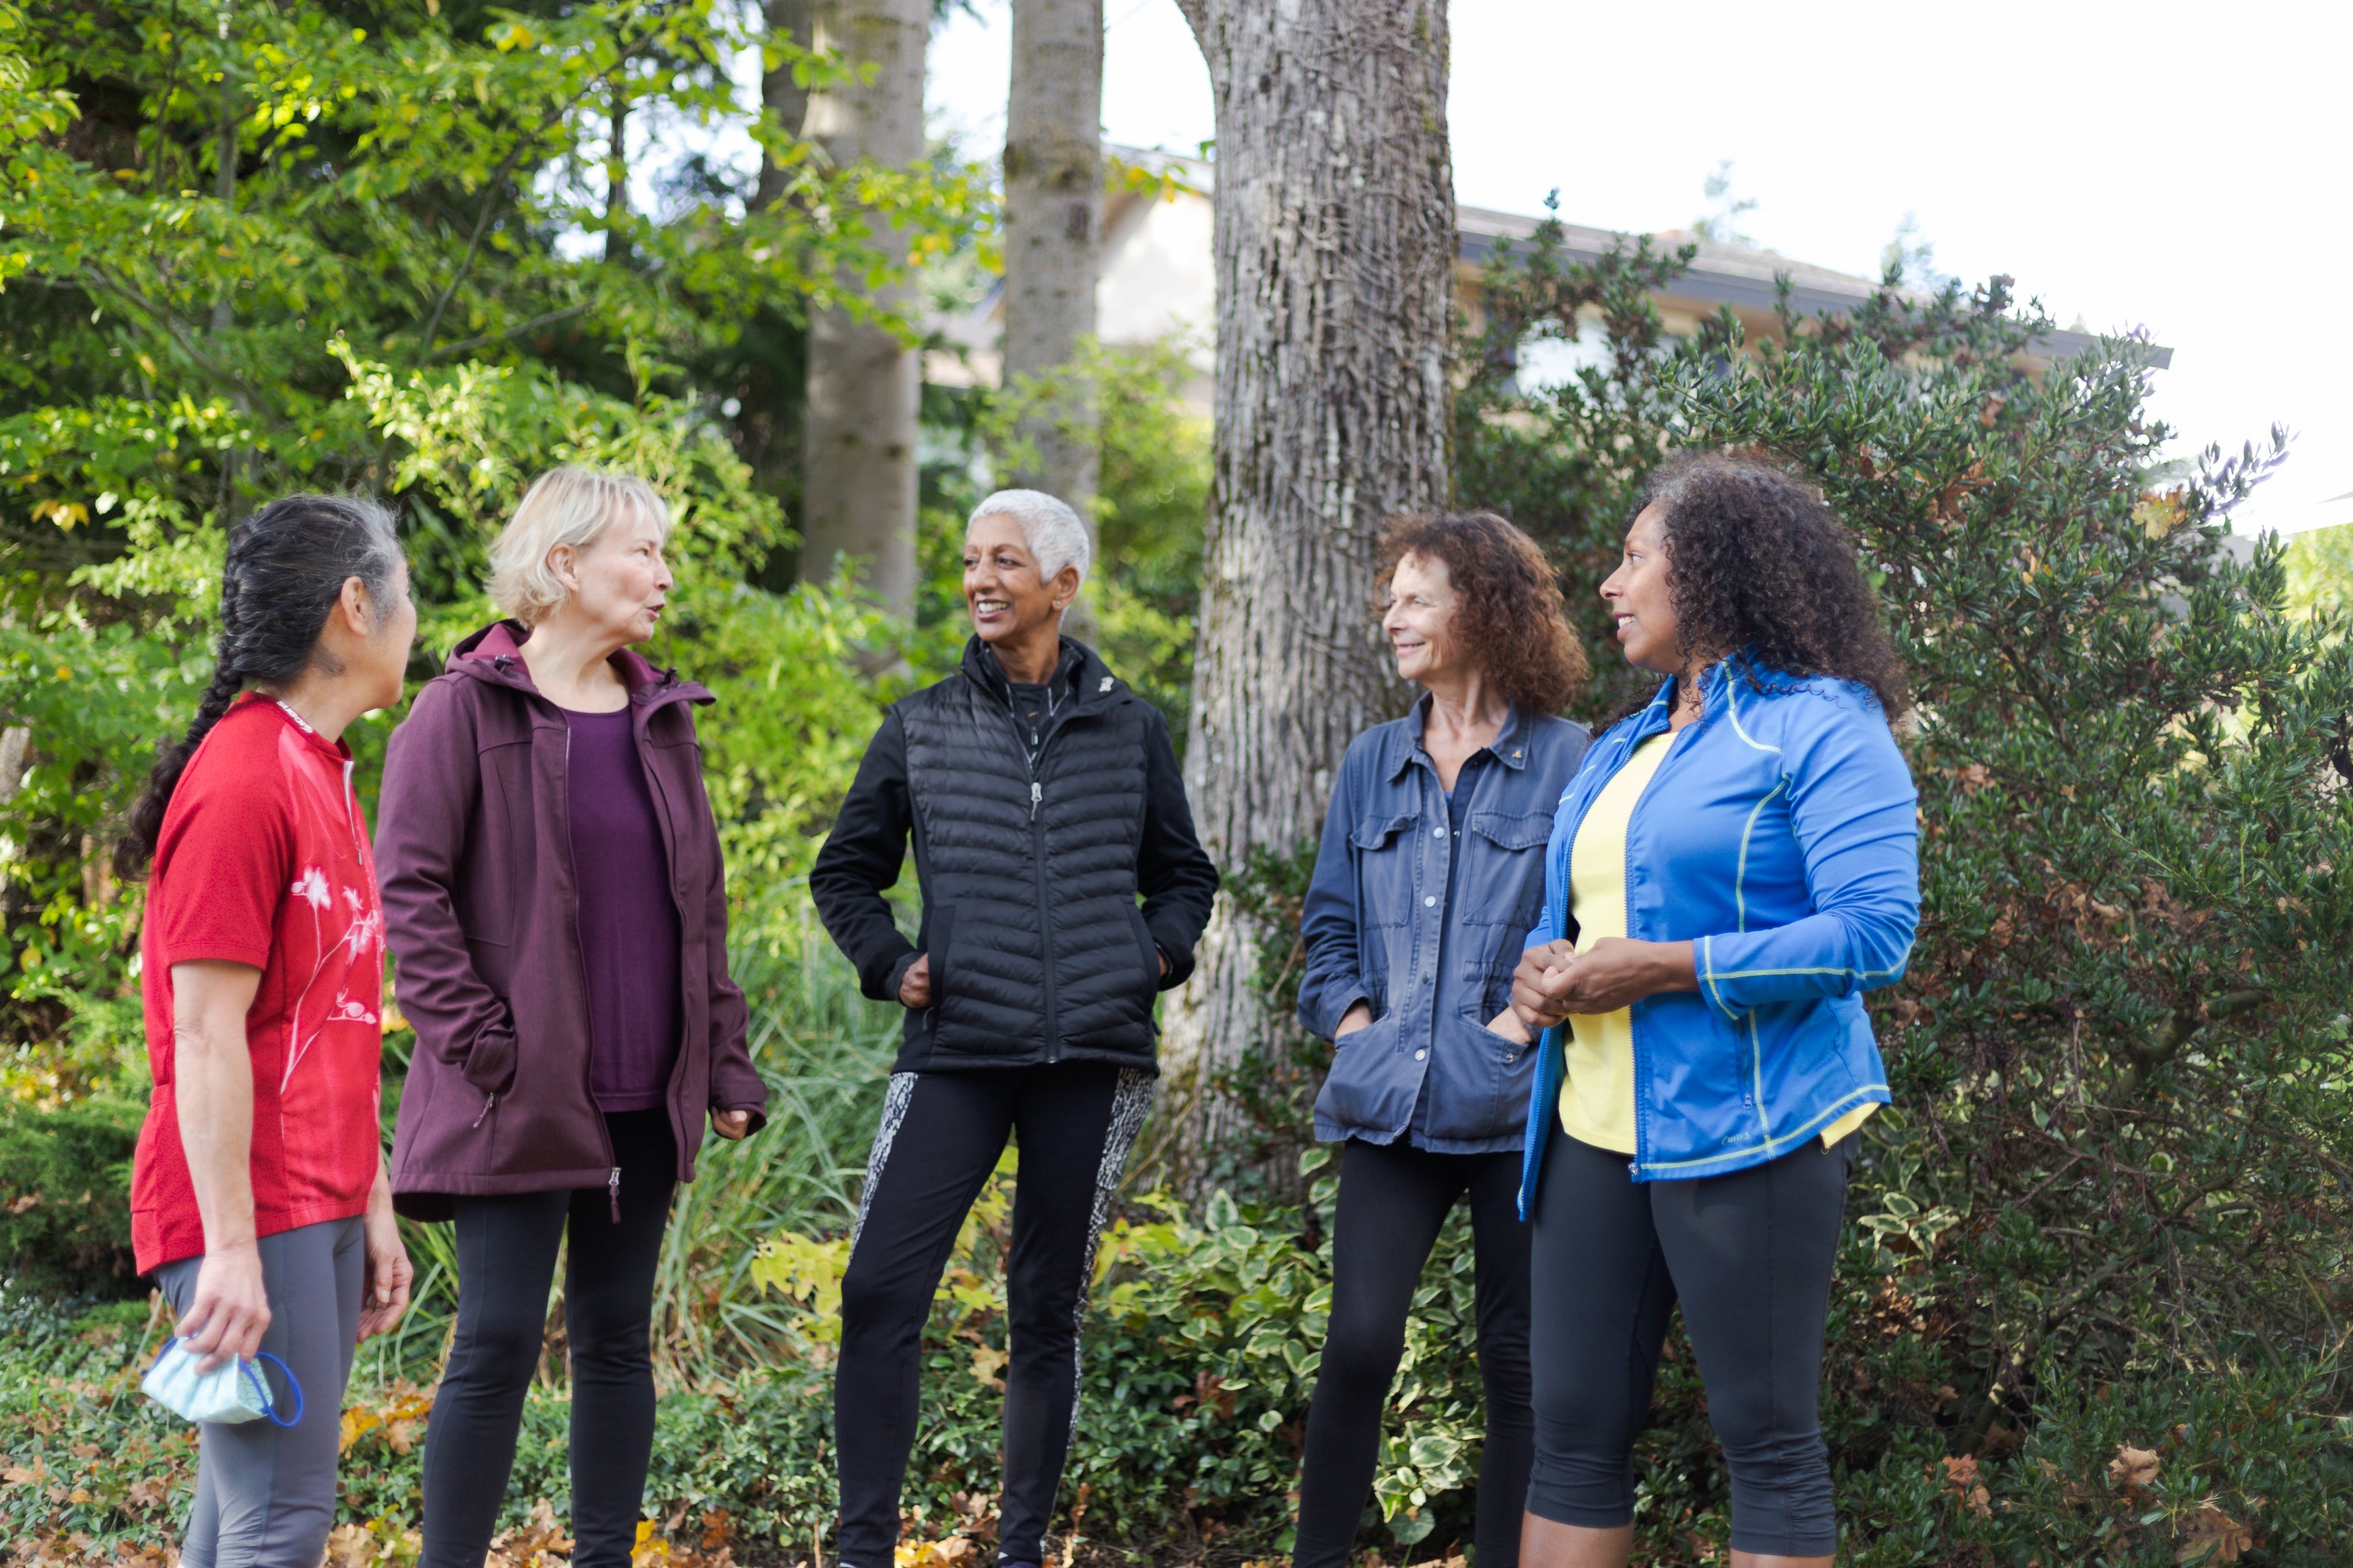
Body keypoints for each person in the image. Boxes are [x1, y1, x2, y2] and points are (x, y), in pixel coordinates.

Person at [1507, 452, 1918, 1568]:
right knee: (1573, 1439)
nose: (1609, 581)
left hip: (1756, 1125)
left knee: (1769, 1446)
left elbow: (1874, 931)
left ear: (1712, 570)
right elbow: (1595, 916)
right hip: (1591, 1129)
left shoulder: (1823, 723)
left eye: (1634, 556)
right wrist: (1546, 972)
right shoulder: (1625, 742)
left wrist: (1664, 967)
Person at [810, 489, 1218, 1568]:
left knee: (1046, 1305)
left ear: (1063, 586)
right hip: (958, 1051)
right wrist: (891, 964)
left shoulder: (1131, 727)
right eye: (969, 560)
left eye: (1005, 560)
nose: (981, 578)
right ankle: (864, 1547)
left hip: (1092, 1058)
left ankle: (1021, 1548)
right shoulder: (923, 723)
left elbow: (1185, 876)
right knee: (879, 1289)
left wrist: (1151, 957)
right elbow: (845, 871)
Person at [377, 467, 770, 1568]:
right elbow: (408, 890)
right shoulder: (461, 710)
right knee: (495, 1341)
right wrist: (485, 1047)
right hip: (517, 1091)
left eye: (663, 554)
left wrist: (723, 1065)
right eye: (643, 552)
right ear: (563, 564)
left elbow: (701, 909)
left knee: (613, 1341)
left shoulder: (660, 720)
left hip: (642, 1096)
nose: (663, 575)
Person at [121, 495, 418, 1568]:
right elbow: (202, 1036)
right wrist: (231, 1252)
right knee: (281, 1519)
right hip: (246, 1205)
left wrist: (374, 1198)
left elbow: (331, 1022)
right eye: (404, 586)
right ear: (354, 605)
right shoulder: (246, 780)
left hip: (320, 1194)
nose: (414, 614)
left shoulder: (324, 772)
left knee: (236, 1517)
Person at [1290, 512, 1590, 1568]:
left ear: (1484, 607)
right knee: (1358, 1346)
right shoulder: (1374, 759)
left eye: (1417, 597)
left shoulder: (1570, 761)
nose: (1393, 616)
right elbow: (1325, 930)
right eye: (1392, 599)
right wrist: (1358, 1029)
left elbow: (1595, 922)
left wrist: (1518, 1023)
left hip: (1517, 1103)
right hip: (1388, 1103)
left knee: (1516, 1364)